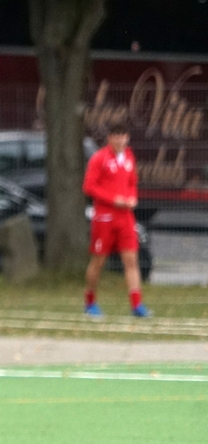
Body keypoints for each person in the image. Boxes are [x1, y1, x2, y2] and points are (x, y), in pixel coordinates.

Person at [82, 123, 150, 318]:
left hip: (125, 217)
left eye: (123, 136)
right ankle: (90, 302)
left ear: (127, 138)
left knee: (131, 260)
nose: (120, 140)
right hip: (104, 218)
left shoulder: (129, 156)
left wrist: (132, 197)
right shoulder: (99, 158)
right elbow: (89, 187)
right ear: (110, 138)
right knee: (99, 261)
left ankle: (137, 305)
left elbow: (132, 183)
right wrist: (113, 199)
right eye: (116, 136)